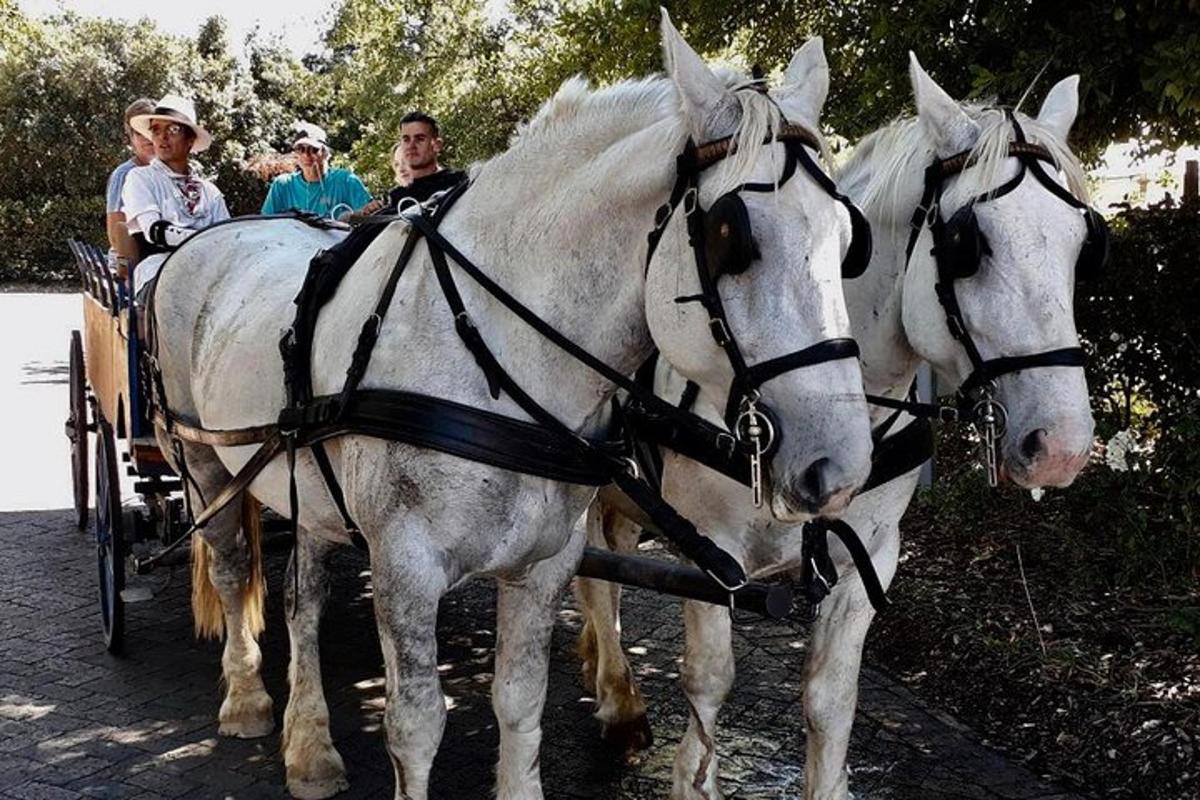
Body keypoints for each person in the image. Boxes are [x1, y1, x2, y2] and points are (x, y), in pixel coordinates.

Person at [119, 94, 229, 294]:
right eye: (156, 130)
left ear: (190, 140)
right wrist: (209, 240)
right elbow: (154, 231)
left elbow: (228, 238)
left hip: (209, 273)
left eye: (173, 129)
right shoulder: (140, 179)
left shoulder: (210, 192)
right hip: (159, 271)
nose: (162, 137)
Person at [359, 112, 466, 214]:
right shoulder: (394, 198)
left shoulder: (460, 183)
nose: (411, 146)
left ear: (437, 145)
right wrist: (370, 211)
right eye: (406, 139)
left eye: (420, 139)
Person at [260, 122, 371, 219]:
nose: (306, 155)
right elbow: (266, 225)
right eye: (301, 149)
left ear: (325, 153)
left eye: (313, 149)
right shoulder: (283, 185)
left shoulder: (346, 180)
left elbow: (369, 213)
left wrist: (370, 209)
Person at [105, 98, 158, 272]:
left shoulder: (168, 172)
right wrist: (127, 273)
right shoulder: (124, 174)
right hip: (128, 261)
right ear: (131, 138)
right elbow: (115, 234)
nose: (148, 139)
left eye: (153, 131)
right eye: (139, 133)